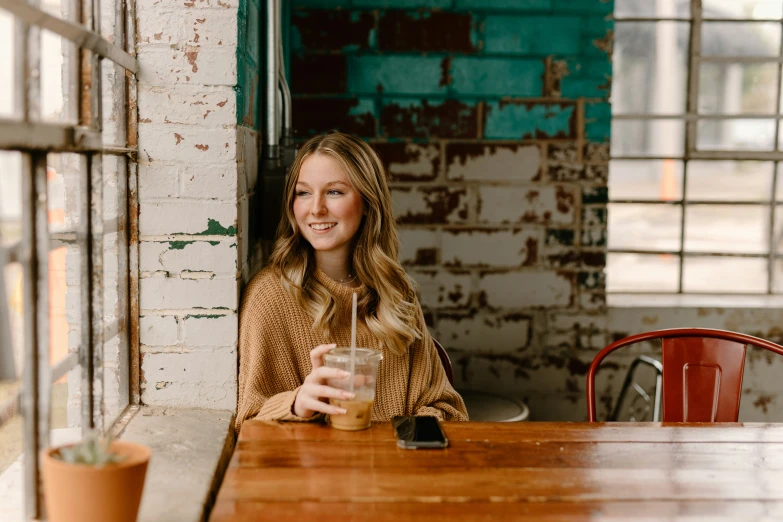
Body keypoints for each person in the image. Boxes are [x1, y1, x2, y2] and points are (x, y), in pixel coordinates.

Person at [235, 131, 468, 433]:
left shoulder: (396, 292)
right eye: (303, 193)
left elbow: (447, 409)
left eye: (334, 192)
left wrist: (402, 443)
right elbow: (249, 425)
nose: (316, 208)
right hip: (313, 476)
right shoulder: (270, 296)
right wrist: (296, 405)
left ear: (368, 202)